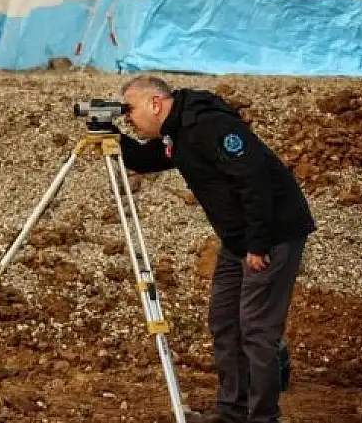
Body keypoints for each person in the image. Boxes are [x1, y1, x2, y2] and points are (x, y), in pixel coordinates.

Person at [114, 75, 316, 423]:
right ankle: (231, 413)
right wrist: (111, 136)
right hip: (238, 240)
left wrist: (257, 243)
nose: (127, 118)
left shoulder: (210, 125)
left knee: (256, 329)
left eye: (129, 110)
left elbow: (254, 180)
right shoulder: (178, 131)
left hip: (271, 236)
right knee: (224, 322)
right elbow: (147, 160)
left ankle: (264, 417)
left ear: (155, 104)